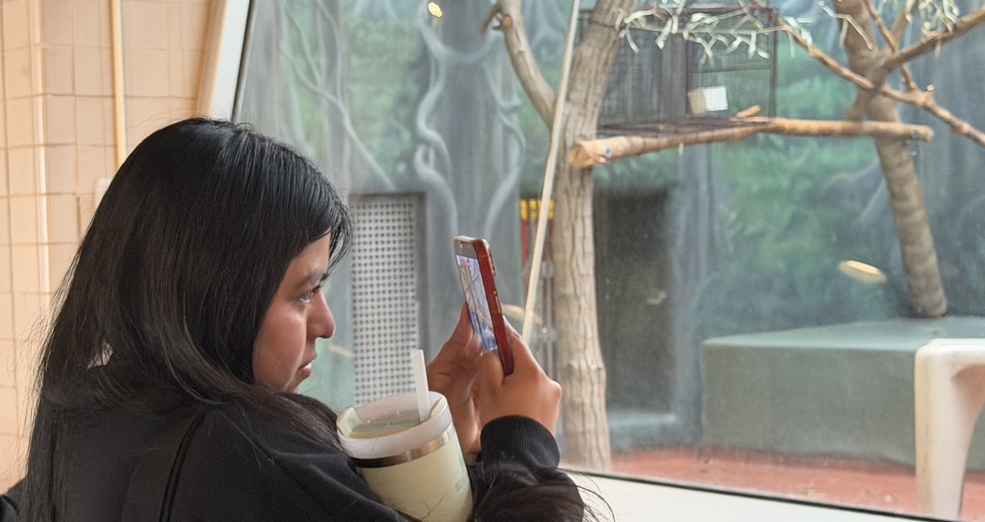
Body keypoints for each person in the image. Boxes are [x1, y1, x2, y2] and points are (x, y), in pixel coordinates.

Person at [13, 118, 589, 521]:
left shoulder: (83, 413)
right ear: (220, 297)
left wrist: (433, 449)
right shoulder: (249, 457)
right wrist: (523, 445)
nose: (327, 323)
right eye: (303, 294)